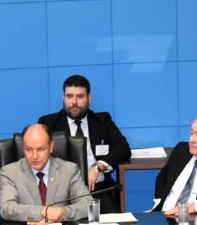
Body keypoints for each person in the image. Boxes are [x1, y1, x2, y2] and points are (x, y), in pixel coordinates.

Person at [37, 74, 131, 214]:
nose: (74, 102)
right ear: (63, 98)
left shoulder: (102, 121)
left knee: (115, 223)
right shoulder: (49, 124)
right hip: (62, 194)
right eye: (69, 96)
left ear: (89, 98)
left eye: (80, 96)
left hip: (98, 190)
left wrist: (98, 166)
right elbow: (38, 157)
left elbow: (123, 148)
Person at [0, 123, 90, 223]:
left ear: (51, 147)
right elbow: (6, 208)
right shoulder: (9, 172)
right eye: (28, 150)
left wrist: (63, 213)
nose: (34, 156)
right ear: (23, 147)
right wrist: (43, 212)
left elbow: (87, 204)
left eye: (41, 149)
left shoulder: (69, 170)